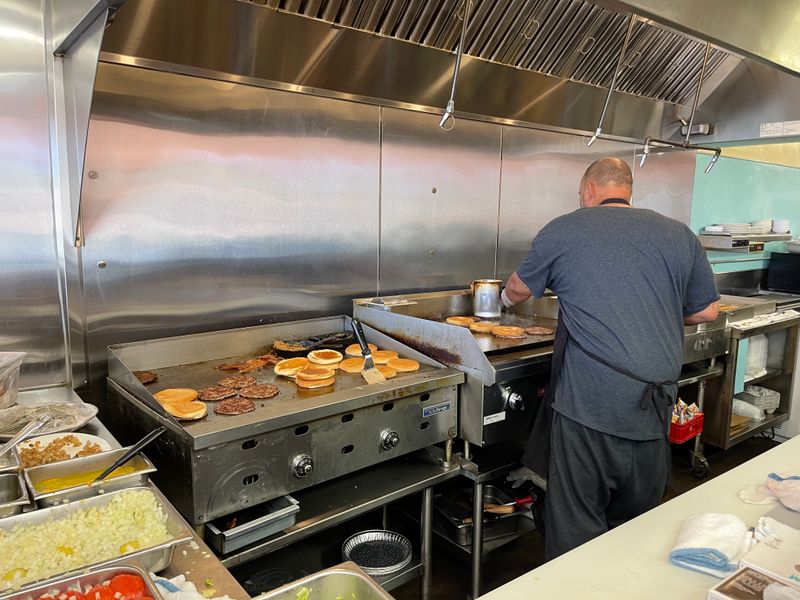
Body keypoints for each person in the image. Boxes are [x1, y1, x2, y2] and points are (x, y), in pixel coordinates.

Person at [501, 157, 720, 560]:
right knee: (637, 525)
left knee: (576, 525)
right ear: (627, 190)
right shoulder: (678, 234)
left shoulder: (566, 227)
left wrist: (498, 298)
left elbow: (516, 291)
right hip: (654, 408)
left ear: (588, 190)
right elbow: (707, 312)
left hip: (588, 410)